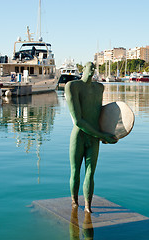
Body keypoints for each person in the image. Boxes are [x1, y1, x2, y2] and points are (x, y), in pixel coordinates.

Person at [65, 62, 117, 213]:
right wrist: (101, 135)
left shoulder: (99, 88)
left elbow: (100, 113)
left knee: (90, 173)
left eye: (94, 68)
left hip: (94, 137)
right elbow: (78, 120)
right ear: (83, 69)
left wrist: (108, 134)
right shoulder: (73, 86)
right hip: (79, 135)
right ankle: (74, 202)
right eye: (90, 67)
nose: (93, 70)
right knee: (75, 171)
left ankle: (88, 206)